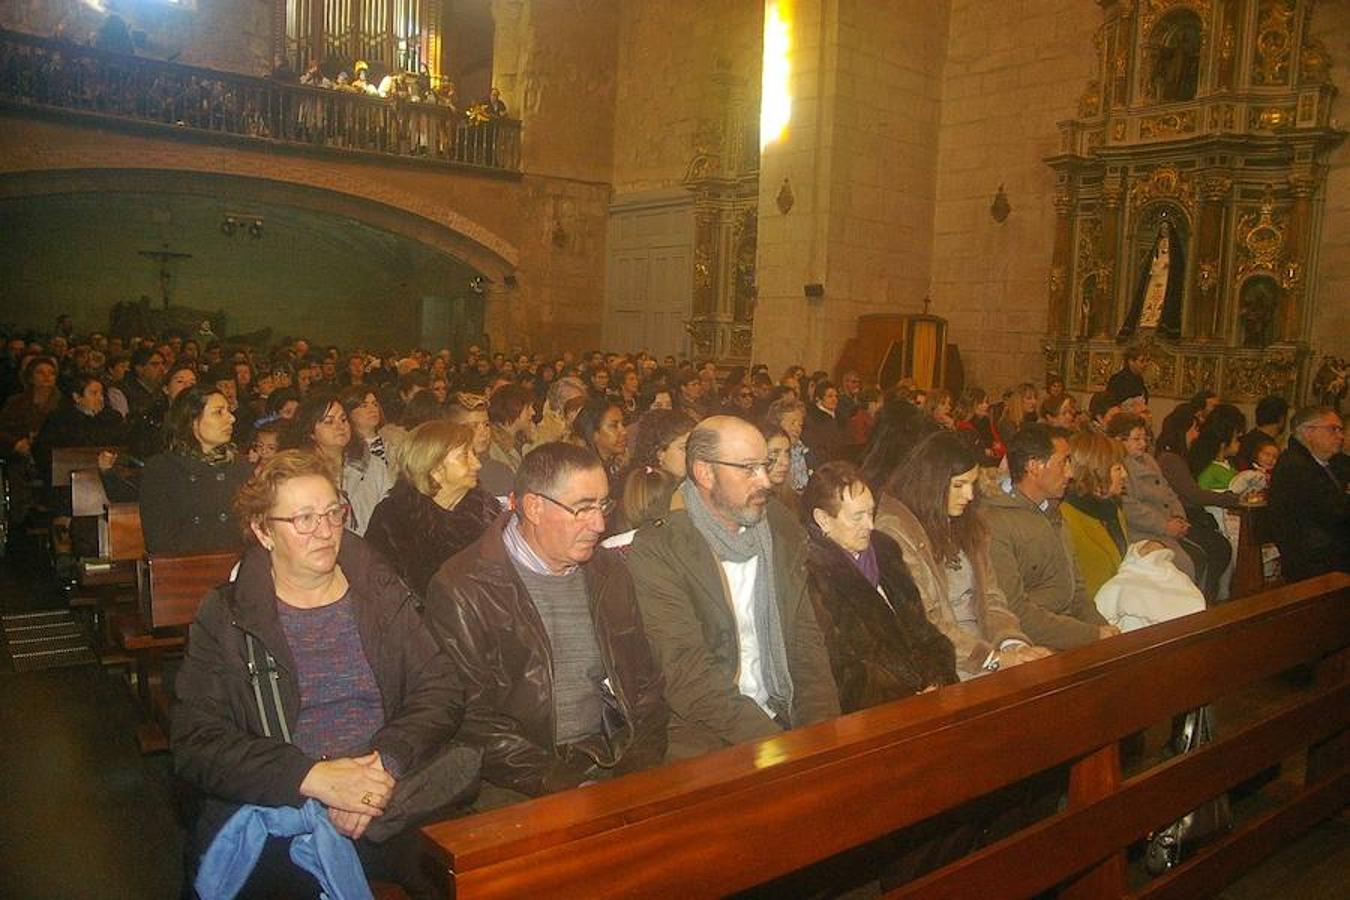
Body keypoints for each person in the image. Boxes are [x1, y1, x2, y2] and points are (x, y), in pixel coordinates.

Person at [171, 450, 468, 898]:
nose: (327, 531)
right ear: (262, 531)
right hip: (286, 803)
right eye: (304, 519)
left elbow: (440, 687)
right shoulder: (230, 615)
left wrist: (382, 764)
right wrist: (311, 777)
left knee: (476, 870)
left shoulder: (379, 591)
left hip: (387, 794)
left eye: (333, 512)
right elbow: (197, 742)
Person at [424, 442, 668, 802]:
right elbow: (471, 720)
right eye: (582, 509)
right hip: (518, 779)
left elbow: (643, 680)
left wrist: (639, 768)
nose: (599, 524)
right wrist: (564, 784)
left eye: (603, 506)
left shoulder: (607, 571)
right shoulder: (463, 588)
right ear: (534, 507)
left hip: (611, 752)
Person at [628, 416, 840, 759]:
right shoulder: (660, 548)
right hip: (706, 734)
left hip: (786, 712)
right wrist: (779, 747)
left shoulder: (780, 526)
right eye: (748, 468)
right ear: (705, 473)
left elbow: (805, 642)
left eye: (765, 465)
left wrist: (821, 732)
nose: (765, 481)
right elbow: (688, 676)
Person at [875, 431, 1050, 679]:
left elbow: (991, 597)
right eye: (958, 485)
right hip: (943, 662)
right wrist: (994, 660)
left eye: (972, 484)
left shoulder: (967, 524)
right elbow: (926, 623)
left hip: (985, 649)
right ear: (931, 484)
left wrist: (1013, 645)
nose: (969, 496)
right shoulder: (896, 532)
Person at [802, 461, 957, 711]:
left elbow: (922, 629)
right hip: (875, 709)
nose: (870, 525)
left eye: (871, 512)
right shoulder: (813, 575)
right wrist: (907, 697)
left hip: (926, 689)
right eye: (857, 517)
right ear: (823, 520)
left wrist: (936, 676)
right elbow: (840, 669)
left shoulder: (884, 551)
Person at [984, 424, 1119, 649]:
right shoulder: (995, 522)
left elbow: (1076, 591)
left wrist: (1103, 630)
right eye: (1064, 462)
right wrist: (1091, 635)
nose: (1071, 473)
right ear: (1034, 466)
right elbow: (1013, 610)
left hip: (1069, 632)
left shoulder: (1052, 511)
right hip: (1028, 643)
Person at [365, 421, 500, 598]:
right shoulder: (393, 521)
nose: (477, 464)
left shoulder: (487, 511)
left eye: (473, 454)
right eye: (464, 456)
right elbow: (380, 594)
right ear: (434, 467)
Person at [140, 385, 253, 555]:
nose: (231, 419)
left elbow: (253, 526)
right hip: (187, 568)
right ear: (192, 420)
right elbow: (159, 541)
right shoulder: (162, 469)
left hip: (238, 564)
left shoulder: (240, 466)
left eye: (229, 411)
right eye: (218, 412)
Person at [1155, 404, 1239, 600]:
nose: (1196, 435)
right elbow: (1193, 494)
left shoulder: (1178, 457)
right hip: (1181, 515)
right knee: (1213, 549)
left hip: (1186, 513)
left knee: (1219, 546)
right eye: (1193, 430)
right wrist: (1230, 498)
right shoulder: (1170, 459)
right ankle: (1203, 601)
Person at [1106, 412, 1201, 583]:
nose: (1143, 444)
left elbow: (1168, 491)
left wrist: (1178, 516)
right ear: (1119, 440)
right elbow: (1129, 507)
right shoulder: (1118, 465)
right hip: (1142, 531)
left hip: (1168, 525)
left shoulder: (1149, 460)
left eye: (1145, 438)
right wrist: (1164, 525)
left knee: (1206, 552)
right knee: (1184, 565)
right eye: (1136, 439)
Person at [284, 391, 392, 537]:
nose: (340, 427)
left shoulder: (373, 465)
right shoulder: (300, 473)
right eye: (329, 422)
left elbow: (391, 513)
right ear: (310, 431)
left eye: (343, 419)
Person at [1268, 406, 1349, 581]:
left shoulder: (1326, 461)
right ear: (1308, 432)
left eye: (1341, 430)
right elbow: (1334, 511)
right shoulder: (1296, 466)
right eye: (1333, 429)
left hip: (1330, 545)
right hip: (1315, 557)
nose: (1340, 436)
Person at [1060, 430, 1130, 602]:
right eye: (1118, 469)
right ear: (1096, 472)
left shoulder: (1113, 509)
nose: (1125, 475)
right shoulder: (1066, 519)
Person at [765, 397, 810, 492]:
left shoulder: (806, 450)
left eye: (800, 425)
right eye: (792, 423)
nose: (797, 429)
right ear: (776, 424)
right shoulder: (765, 450)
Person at [802, 380, 845, 467]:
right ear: (818, 398)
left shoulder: (841, 416)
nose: (834, 399)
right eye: (830, 396)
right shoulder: (813, 419)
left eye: (836, 396)